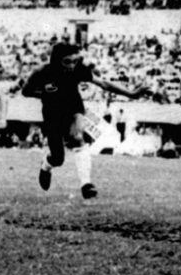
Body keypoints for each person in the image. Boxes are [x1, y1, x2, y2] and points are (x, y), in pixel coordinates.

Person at [22, 42, 150, 199]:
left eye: (74, 61)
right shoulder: (42, 72)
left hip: (73, 107)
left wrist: (131, 93)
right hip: (52, 113)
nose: (71, 65)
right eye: (67, 62)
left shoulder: (79, 69)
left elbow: (103, 83)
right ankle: (46, 166)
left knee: (77, 137)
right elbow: (26, 92)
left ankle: (86, 184)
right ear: (56, 61)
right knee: (58, 158)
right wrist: (43, 92)